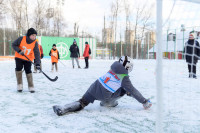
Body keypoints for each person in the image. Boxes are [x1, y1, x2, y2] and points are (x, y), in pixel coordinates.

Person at [53, 56, 152, 116]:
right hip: (105, 96)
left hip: (94, 86)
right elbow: (133, 91)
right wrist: (144, 101)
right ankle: (108, 103)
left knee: (82, 102)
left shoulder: (113, 68)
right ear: (127, 67)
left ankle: (63, 109)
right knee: (125, 90)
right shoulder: (124, 78)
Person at [12, 28, 41, 93]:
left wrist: (38, 64)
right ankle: (19, 85)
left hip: (28, 59)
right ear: (29, 35)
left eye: (35, 35)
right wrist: (19, 50)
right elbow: (13, 44)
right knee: (18, 69)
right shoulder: (21, 38)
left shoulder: (35, 42)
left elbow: (37, 53)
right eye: (33, 35)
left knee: (28, 70)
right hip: (19, 57)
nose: (34, 37)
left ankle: (31, 86)